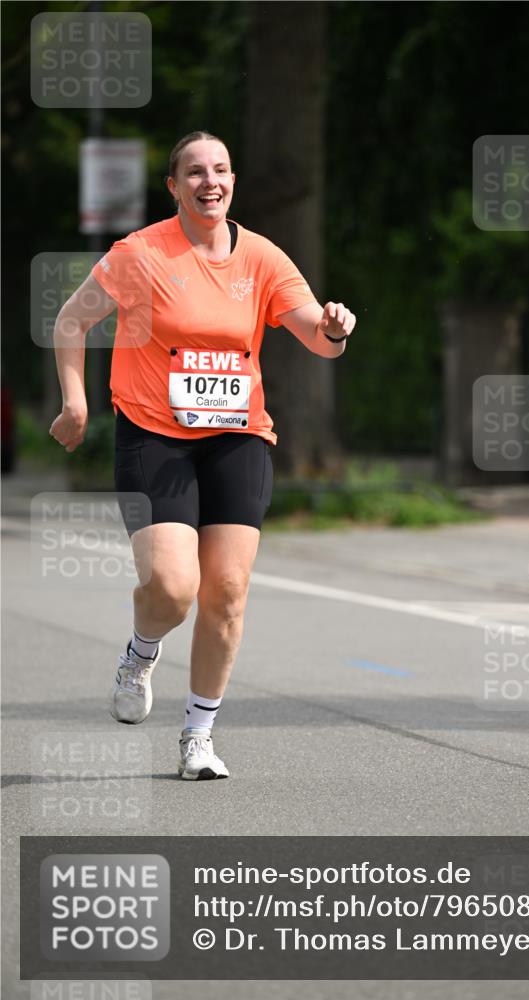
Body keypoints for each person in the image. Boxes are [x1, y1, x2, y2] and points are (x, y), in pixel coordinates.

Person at [49, 131, 356, 780]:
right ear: (173, 187)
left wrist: (333, 330)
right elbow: (71, 321)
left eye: (220, 170)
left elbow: (316, 336)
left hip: (237, 436)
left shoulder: (263, 257)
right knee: (172, 588)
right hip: (153, 435)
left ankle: (198, 736)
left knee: (228, 591)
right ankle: (140, 652)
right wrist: (75, 403)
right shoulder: (140, 254)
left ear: (233, 181)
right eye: (194, 172)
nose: (208, 182)